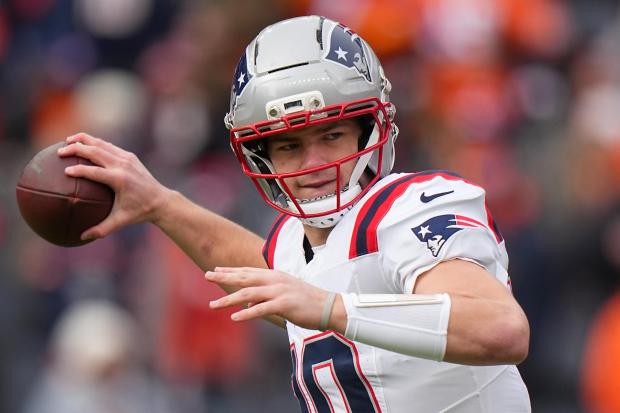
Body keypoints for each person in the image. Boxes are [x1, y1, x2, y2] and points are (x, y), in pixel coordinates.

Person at [57, 15, 531, 412]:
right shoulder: (294, 240)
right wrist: (160, 205)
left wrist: (330, 309)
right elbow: (265, 272)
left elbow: (499, 328)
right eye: (288, 146)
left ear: (371, 128)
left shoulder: (408, 206)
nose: (314, 164)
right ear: (261, 157)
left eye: (331, 136)